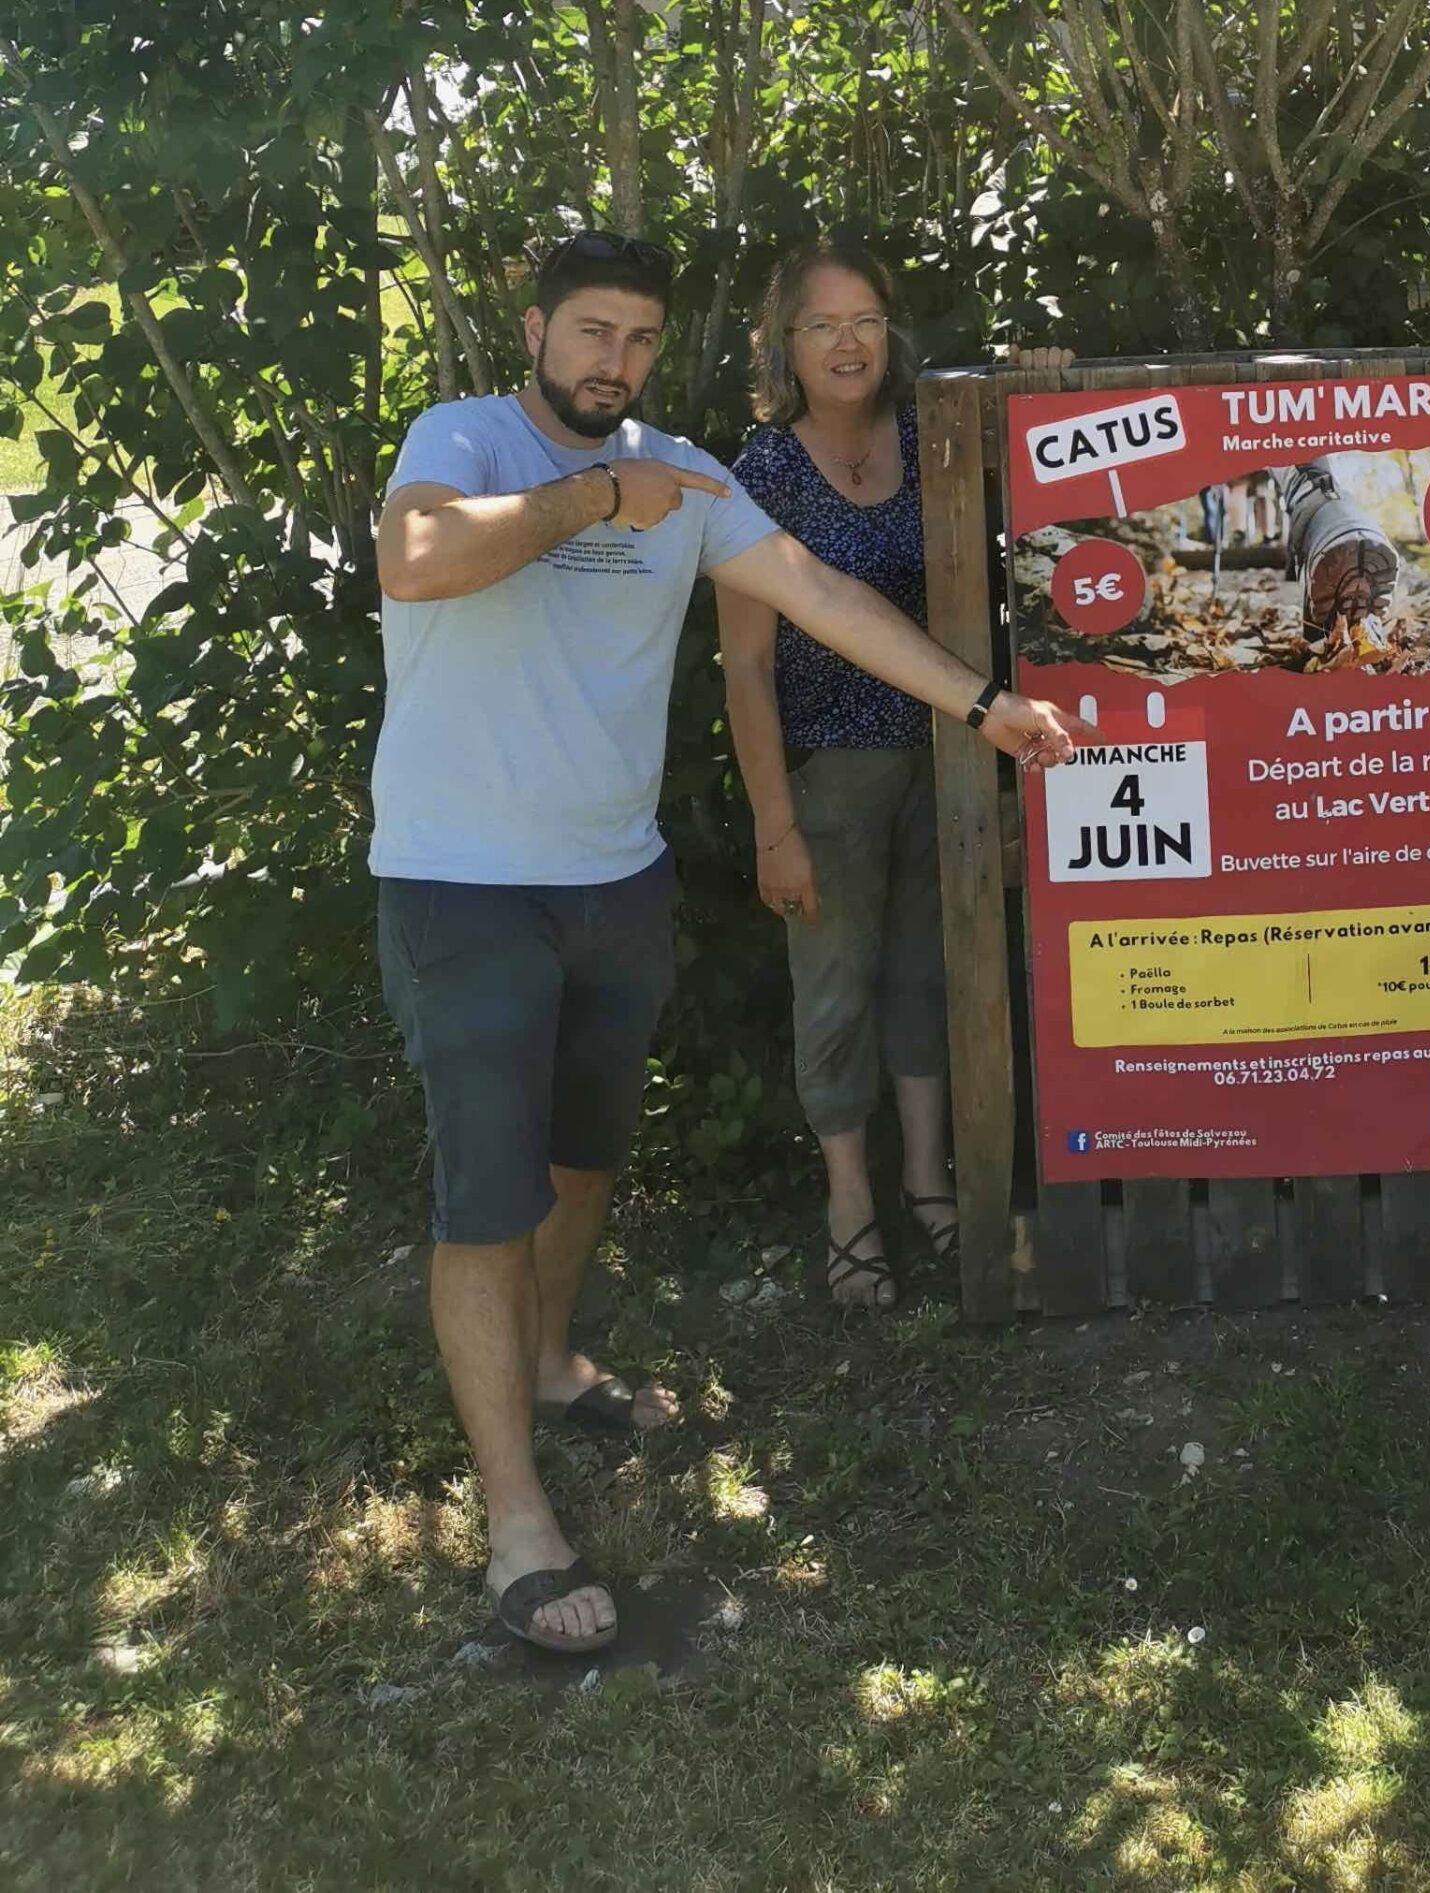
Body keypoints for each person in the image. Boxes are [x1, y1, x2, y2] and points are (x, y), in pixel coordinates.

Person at [371, 229, 1087, 1655]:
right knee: (487, 1201)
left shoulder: (691, 475)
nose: (613, 361)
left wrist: (980, 704)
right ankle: (517, 1525)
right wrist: (591, 497)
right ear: (535, 332)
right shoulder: (463, 436)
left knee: (583, 1163)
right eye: (590, 332)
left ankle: (553, 1361)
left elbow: (820, 596)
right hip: (464, 885)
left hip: (614, 882)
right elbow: (416, 561)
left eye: (637, 339)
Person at [715, 234, 1072, 1309]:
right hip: (829, 774)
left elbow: (1050, 465)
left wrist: (1048, 386)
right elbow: (744, 667)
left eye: (865, 319)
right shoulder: (761, 471)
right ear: (783, 343)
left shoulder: (934, 434)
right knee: (834, 990)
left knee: (929, 974)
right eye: (822, 324)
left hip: (953, 759)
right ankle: (849, 1206)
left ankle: (927, 1182)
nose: (848, 342)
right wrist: (774, 825)